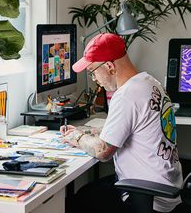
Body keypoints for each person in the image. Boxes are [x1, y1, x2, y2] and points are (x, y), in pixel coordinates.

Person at [60, 33, 183, 213]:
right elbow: (131, 127)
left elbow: (103, 152)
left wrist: (76, 137)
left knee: (77, 202)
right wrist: (88, 132)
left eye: (93, 72)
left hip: (148, 197)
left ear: (110, 66)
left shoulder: (127, 95)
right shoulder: (149, 82)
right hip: (167, 187)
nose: (95, 80)